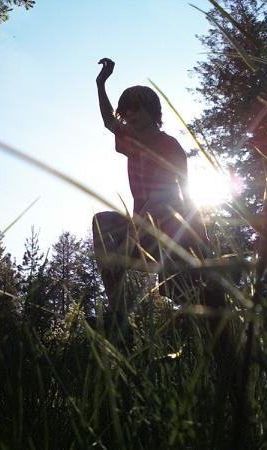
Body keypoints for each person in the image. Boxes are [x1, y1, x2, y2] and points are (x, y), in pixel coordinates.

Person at [92, 57, 207, 319]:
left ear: (151, 112)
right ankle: (119, 318)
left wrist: (126, 245)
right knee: (103, 223)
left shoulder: (168, 146)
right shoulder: (131, 140)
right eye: (125, 109)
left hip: (175, 236)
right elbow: (109, 122)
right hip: (144, 231)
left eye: (134, 107)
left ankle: (202, 312)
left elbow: (161, 201)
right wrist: (101, 85)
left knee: (185, 297)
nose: (128, 114)